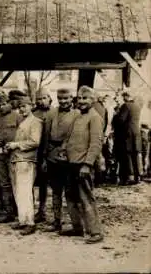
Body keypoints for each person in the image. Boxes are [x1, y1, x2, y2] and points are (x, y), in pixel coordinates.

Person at [61, 86, 104, 244]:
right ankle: (77, 227)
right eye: (79, 98)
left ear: (93, 100)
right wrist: (64, 150)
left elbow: (96, 143)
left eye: (85, 98)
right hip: (71, 163)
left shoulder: (95, 118)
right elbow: (69, 137)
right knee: (71, 196)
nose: (81, 101)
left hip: (83, 165)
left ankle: (95, 232)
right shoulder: (78, 117)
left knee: (86, 198)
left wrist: (87, 164)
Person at [42, 88, 80, 233]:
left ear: (72, 99)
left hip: (69, 157)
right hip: (52, 155)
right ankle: (56, 221)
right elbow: (45, 136)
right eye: (60, 98)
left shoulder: (77, 114)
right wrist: (45, 157)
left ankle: (75, 223)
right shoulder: (51, 113)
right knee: (56, 190)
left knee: (70, 191)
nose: (63, 101)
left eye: (66, 98)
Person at [5, 96, 42, 235]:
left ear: (31, 106)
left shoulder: (35, 122)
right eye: (20, 107)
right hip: (16, 159)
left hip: (27, 160)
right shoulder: (22, 121)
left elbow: (35, 141)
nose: (22, 109)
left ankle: (30, 222)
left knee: (25, 192)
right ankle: (22, 220)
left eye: (25, 106)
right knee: (18, 191)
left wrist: (16, 145)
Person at [0, 94, 22, 223]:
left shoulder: (18, 117)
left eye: (4, 104)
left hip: (13, 154)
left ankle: (20, 210)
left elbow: (22, 135)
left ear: (9, 103)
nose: (2, 107)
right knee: (4, 184)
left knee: (16, 183)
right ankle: (9, 212)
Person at [112, 89, 142, 185]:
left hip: (127, 134)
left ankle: (129, 177)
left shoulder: (126, 106)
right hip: (135, 133)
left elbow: (121, 120)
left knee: (127, 155)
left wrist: (116, 115)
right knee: (135, 155)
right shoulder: (137, 106)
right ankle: (138, 176)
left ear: (126, 96)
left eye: (123, 96)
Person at [32, 88, 52, 223]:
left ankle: (44, 209)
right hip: (34, 152)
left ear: (49, 98)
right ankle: (33, 209)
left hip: (49, 152)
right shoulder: (32, 114)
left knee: (47, 183)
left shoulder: (54, 113)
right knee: (33, 183)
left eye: (44, 98)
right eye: (39, 98)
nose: (41, 101)